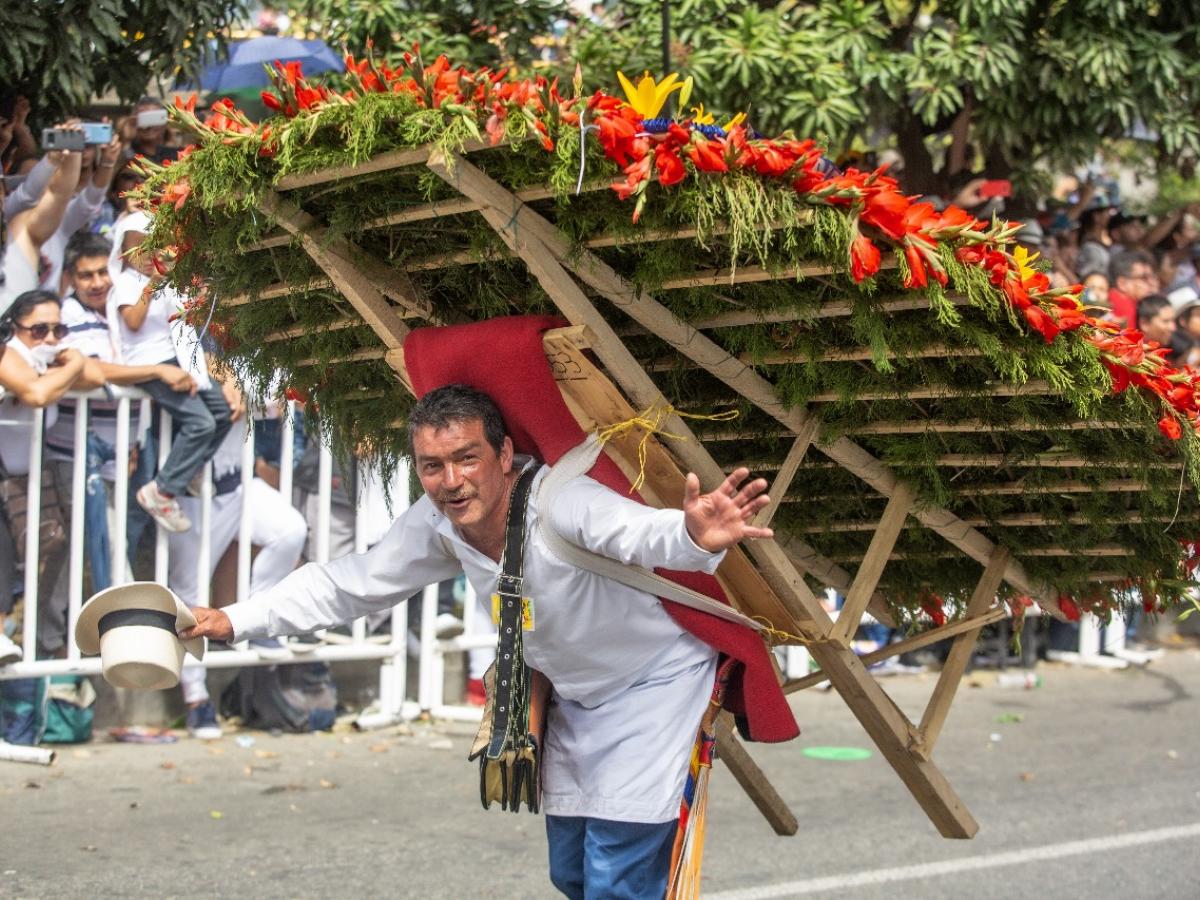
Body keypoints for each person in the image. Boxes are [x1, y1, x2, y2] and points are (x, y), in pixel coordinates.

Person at [182, 384, 774, 898]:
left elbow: (636, 534)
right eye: (432, 466)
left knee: (618, 877)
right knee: (572, 874)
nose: (451, 482)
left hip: (653, 689)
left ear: (505, 453)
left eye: (467, 458)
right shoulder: (438, 523)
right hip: (571, 697)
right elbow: (353, 584)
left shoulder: (559, 501)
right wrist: (233, 620)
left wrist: (695, 534)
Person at [44, 232, 197, 589]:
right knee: (100, 549)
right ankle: (107, 635)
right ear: (70, 277)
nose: (97, 282)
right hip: (80, 453)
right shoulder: (67, 314)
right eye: (86, 275)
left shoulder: (117, 312)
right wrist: (156, 371)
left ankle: (61, 636)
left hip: (126, 452)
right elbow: (93, 372)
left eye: (102, 272)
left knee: (107, 545)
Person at [167, 418, 308, 739]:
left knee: (289, 529)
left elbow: (273, 397)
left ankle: (258, 620)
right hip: (188, 492)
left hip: (237, 483)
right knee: (188, 595)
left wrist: (244, 394)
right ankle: (196, 699)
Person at [107, 212, 233, 533]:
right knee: (201, 423)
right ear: (121, 252)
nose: (144, 255)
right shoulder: (125, 282)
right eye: (135, 249)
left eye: (149, 247)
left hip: (177, 359)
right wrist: (153, 282)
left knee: (221, 412)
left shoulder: (164, 280)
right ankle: (161, 490)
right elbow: (133, 321)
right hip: (150, 364)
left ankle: (188, 469)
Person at [0, 290, 103, 659]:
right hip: (5, 477)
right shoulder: (7, 353)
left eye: (58, 330)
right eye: (39, 329)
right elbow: (36, 394)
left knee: (53, 544)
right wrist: (71, 366)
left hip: (21, 479)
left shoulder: (47, 360)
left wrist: (68, 361)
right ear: (15, 326)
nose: (49, 339)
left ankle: (28, 633)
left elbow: (95, 376)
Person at [1107, 250, 1158, 329]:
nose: (1151, 283)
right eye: (1144, 278)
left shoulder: (1135, 306)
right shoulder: (1121, 305)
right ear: (1122, 283)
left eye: (1152, 277)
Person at [1136, 294, 1188, 364]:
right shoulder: (1134, 355)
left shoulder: (1173, 348)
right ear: (1145, 324)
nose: (1173, 328)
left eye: (1173, 321)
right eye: (1166, 321)